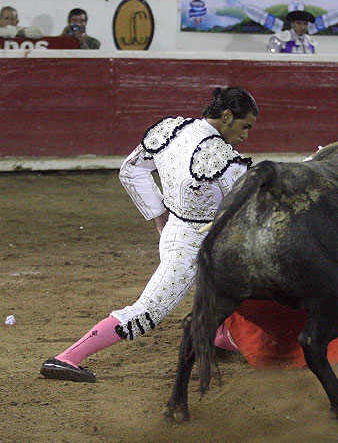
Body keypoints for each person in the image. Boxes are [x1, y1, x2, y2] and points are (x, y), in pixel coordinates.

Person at [40, 87, 258, 383]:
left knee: (231, 283)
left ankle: (220, 337)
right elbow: (249, 199)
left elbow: (131, 170)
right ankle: (67, 358)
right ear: (227, 116)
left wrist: (160, 216)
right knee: (147, 312)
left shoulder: (173, 130)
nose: (246, 134)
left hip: (179, 232)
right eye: (245, 126)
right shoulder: (221, 156)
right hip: (193, 246)